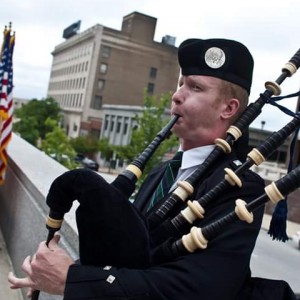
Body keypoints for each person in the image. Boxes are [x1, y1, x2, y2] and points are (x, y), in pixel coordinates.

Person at [8, 38, 267, 300]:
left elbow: (199, 287)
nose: (176, 95)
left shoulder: (241, 187)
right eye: (180, 84)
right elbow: (128, 258)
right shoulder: (160, 173)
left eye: (195, 87)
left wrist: (73, 279)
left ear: (228, 108)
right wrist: (53, 272)